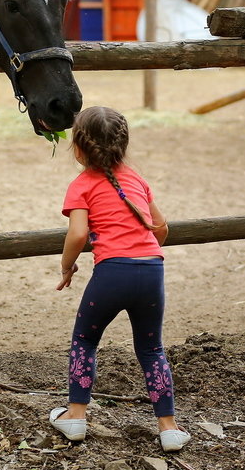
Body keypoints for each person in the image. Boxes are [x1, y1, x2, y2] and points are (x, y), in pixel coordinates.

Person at [49, 106, 190, 452]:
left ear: (79, 149)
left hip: (112, 273)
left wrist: (67, 265)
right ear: (122, 146)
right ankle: (168, 427)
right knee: (152, 348)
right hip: (152, 272)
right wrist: (143, 248)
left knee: (85, 339)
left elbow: (78, 234)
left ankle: (76, 416)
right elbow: (162, 228)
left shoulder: (81, 185)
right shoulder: (136, 179)